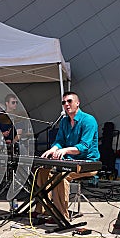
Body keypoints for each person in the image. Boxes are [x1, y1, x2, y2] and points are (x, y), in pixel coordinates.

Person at [36, 91, 99, 224]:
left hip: (89, 163)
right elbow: (59, 141)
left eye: (69, 101)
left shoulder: (88, 120)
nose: (66, 104)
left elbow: (84, 146)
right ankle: (44, 210)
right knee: (42, 171)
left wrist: (64, 151)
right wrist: (52, 149)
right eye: (64, 102)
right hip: (70, 161)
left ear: (77, 103)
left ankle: (61, 216)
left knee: (61, 175)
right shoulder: (64, 121)